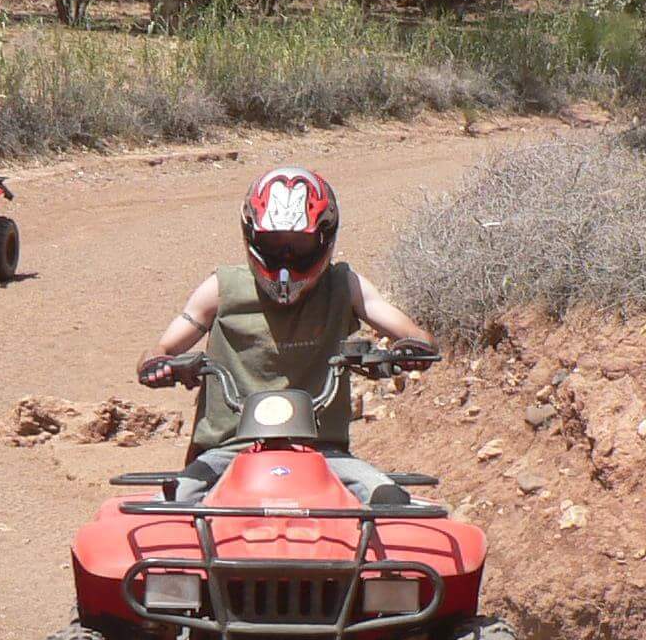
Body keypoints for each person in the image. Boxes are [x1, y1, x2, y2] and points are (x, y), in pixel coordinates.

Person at [138, 165, 435, 505]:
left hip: (323, 453)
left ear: (325, 237)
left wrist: (410, 348)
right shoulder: (223, 288)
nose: (287, 258)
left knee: (389, 499)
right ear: (252, 236)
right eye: (275, 243)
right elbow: (162, 347)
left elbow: (413, 334)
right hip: (227, 450)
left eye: (300, 243)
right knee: (180, 501)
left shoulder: (344, 285)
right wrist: (160, 364)